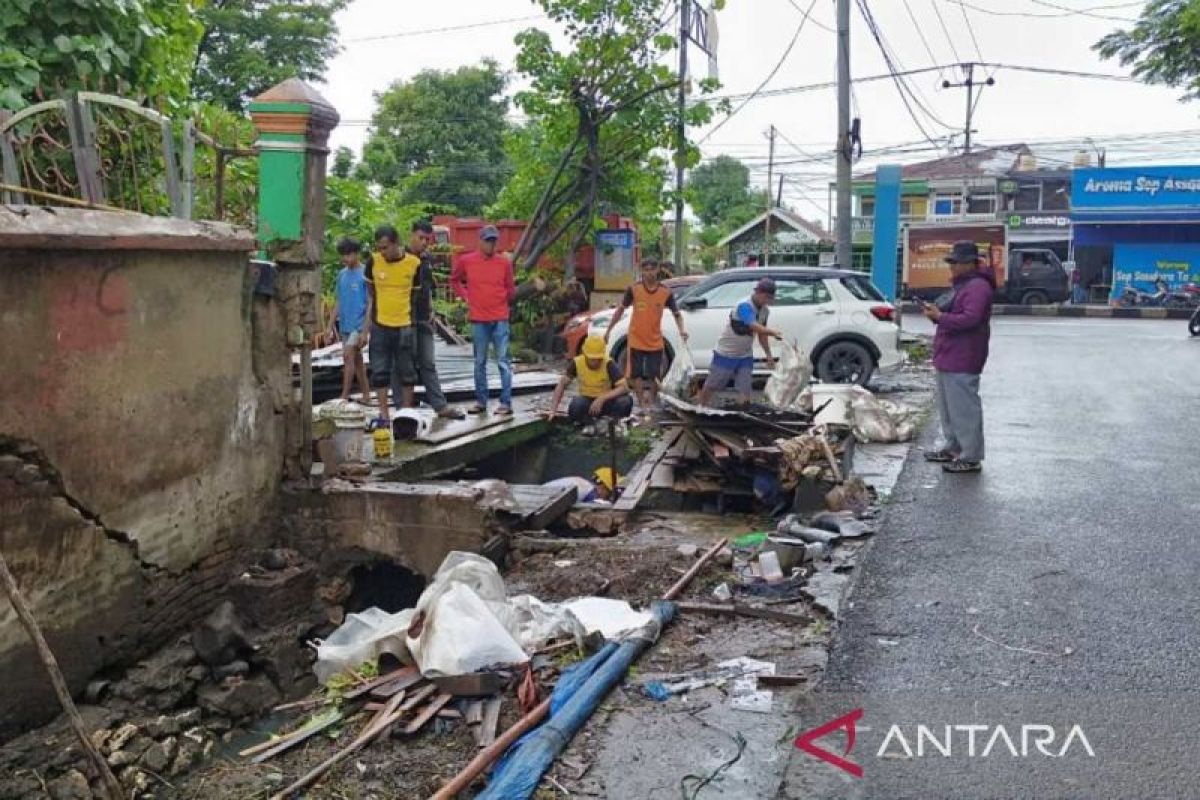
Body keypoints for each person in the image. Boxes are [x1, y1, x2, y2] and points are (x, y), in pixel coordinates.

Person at [922, 240, 994, 474]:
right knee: (949, 408)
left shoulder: (977, 287)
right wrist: (937, 315)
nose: (951, 267)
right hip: (950, 353)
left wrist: (940, 317)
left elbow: (970, 319)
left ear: (969, 264)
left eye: (956, 262)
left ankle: (971, 455)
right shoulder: (964, 285)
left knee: (964, 408)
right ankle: (953, 447)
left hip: (964, 355)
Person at [603, 258, 688, 416]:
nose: (649, 272)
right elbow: (620, 310)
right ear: (642, 271)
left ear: (658, 270)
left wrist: (682, 330)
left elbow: (677, 314)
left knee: (655, 374)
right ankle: (642, 403)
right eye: (646, 269)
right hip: (635, 339)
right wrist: (608, 330)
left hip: (655, 341)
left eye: (652, 269)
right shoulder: (634, 289)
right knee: (636, 375)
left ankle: (653, 401)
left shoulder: (665, 292)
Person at [451, 224, 516, 417]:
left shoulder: (504, 263)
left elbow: (511, 288)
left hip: (500, 317)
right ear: (480, 241)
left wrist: (502, 302)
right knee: (480, 361)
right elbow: (454, 279)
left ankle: (506, 403)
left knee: (503, 361)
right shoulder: (467, 261)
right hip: (479, 318)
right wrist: (465, 296)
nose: (491, 244)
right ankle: (481, 401)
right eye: (488, 241)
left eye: (493, 241)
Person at [408, 220, 464, 420]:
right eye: (420, 238)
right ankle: (404, 408)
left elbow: (428, 287)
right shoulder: (401, 258)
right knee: (405, 364)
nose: (424, 242)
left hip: (423, 316)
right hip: (405, 318)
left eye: (427, 239)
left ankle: (440, 406)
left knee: (428, 362)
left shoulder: (426, 260)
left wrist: (431, 310)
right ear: (411, 235)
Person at [696, 278, 782, 407]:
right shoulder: (744, 306)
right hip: (726, 353)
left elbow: (761, 334)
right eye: (766, 297)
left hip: (745, 355)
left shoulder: (765, 311)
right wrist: (773, 332)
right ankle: (700, 407)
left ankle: (742, 414)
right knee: (713, 385)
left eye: (770, 298)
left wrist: (768, 355)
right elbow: (753, 325)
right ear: (758, 292)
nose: (767, 301)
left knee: (745, 387)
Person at [365, 224, 419, 422]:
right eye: (379, 247)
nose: (382, 252)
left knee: (407, 372)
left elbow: (417, 294)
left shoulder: (414, 264)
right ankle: (384, 415)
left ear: (396, 243)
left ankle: (405, 414)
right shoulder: (373, 262)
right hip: (380, 325)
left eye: (385, 247)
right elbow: (370, 291)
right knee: (379, 371)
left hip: (404, 325)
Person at [546, 335, 634, 427]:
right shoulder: (577, 363)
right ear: (586, 355)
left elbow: (624, 388)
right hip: (587, 401)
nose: (595, 362)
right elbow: (562, 384)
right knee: (575, 406)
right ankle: (588, 424)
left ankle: (612, 424)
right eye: (592, 359)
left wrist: (602, 399)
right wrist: (553, 410)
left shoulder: (609, 363)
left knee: (625, 401)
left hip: (607, 401)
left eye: (598, 359)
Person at [326, 237, 371, 401]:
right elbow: (339, 301)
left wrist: (365, 329)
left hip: (358, 326)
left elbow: (370, 303)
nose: (346, 259)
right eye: (343, 255)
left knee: (348, 357)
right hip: (345, 324)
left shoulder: (365, 274)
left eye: (349, 254)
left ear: (357, 254)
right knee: (358, 362)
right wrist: (330, 325)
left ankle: (344, 395)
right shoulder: (341, 275)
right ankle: (366, 395)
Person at [543, 467, 619, 503]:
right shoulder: (588, 491)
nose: (608, 496)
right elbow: (594, 504)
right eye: (609, 492)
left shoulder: (584, 484)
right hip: (542, 501)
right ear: (602, 487)